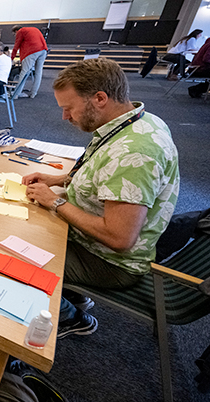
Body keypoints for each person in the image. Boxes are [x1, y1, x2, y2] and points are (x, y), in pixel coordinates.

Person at [24, 58, 179, 339]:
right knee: (26, 227)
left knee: (12, 258)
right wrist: (59, 180)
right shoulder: (133, 121)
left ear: (99, 98)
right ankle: (69, 294)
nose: (65, 117)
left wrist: (55, 201)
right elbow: (102, 172)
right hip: (90, 240)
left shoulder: (135, 154)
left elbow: (120, 238)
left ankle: (71, 317)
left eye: (69, 108)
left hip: (108, 261)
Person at [11, 25, 49, 99]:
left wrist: (11, 58)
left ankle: (16, 94)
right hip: (43, 50)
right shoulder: (35, 29)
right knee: (38, 72)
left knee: (24, 72)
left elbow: (16, 45)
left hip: (32, 51)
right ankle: (33, 93)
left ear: (16, 31)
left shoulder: (20, 31)